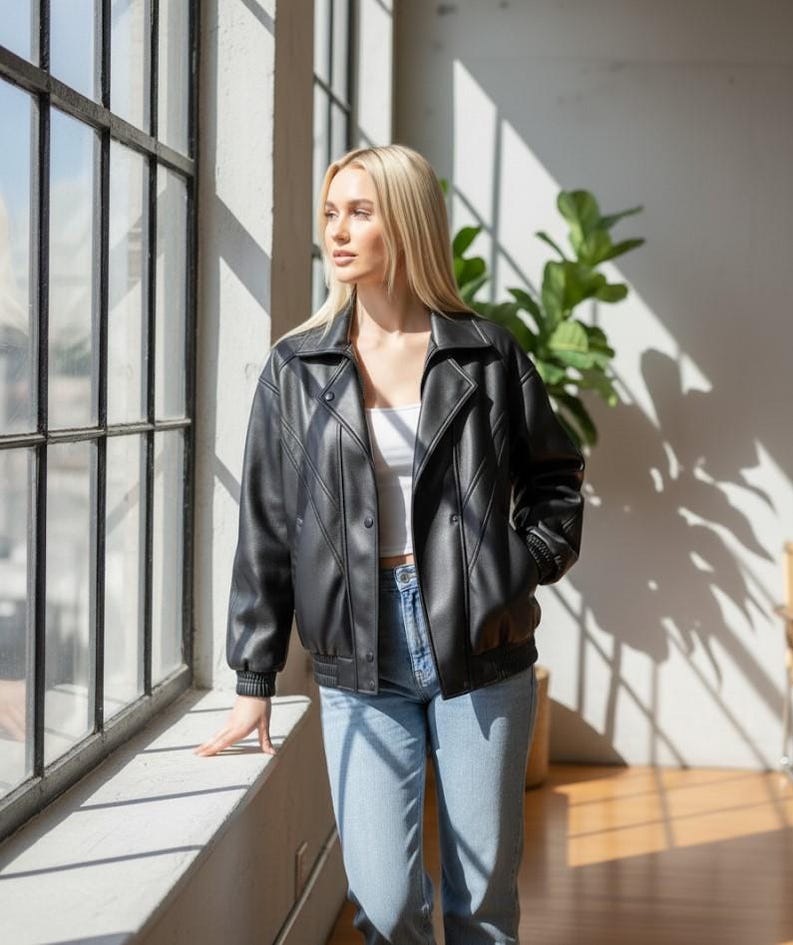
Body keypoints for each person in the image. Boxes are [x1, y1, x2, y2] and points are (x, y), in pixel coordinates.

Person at [195, 143, 585, 944]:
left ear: (404, 223)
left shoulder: (487, 354)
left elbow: (556, 479)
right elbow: (267, 523)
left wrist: (518, 568)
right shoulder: (296, 368)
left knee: (481, 902)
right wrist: (253, 674)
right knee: (383, 899)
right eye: (331, 212)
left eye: (360, 212)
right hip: (357, 647)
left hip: (479, 645)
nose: (337, 231)